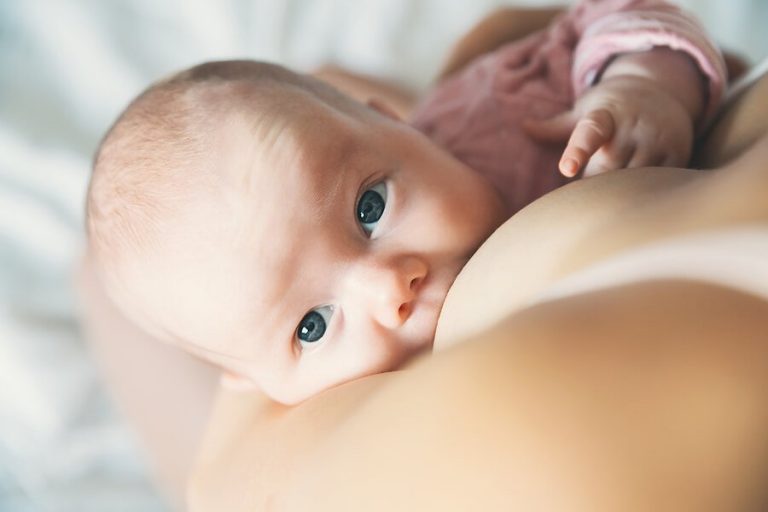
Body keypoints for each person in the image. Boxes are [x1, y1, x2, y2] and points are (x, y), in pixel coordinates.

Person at [84, 0, 727, 409]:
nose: (387, 287)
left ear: (399, 127)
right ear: (254, 384)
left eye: (370, 208)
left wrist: (640, 84)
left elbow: (608, 20)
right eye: (312, 326)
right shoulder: (358, 415)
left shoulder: (510, 113)